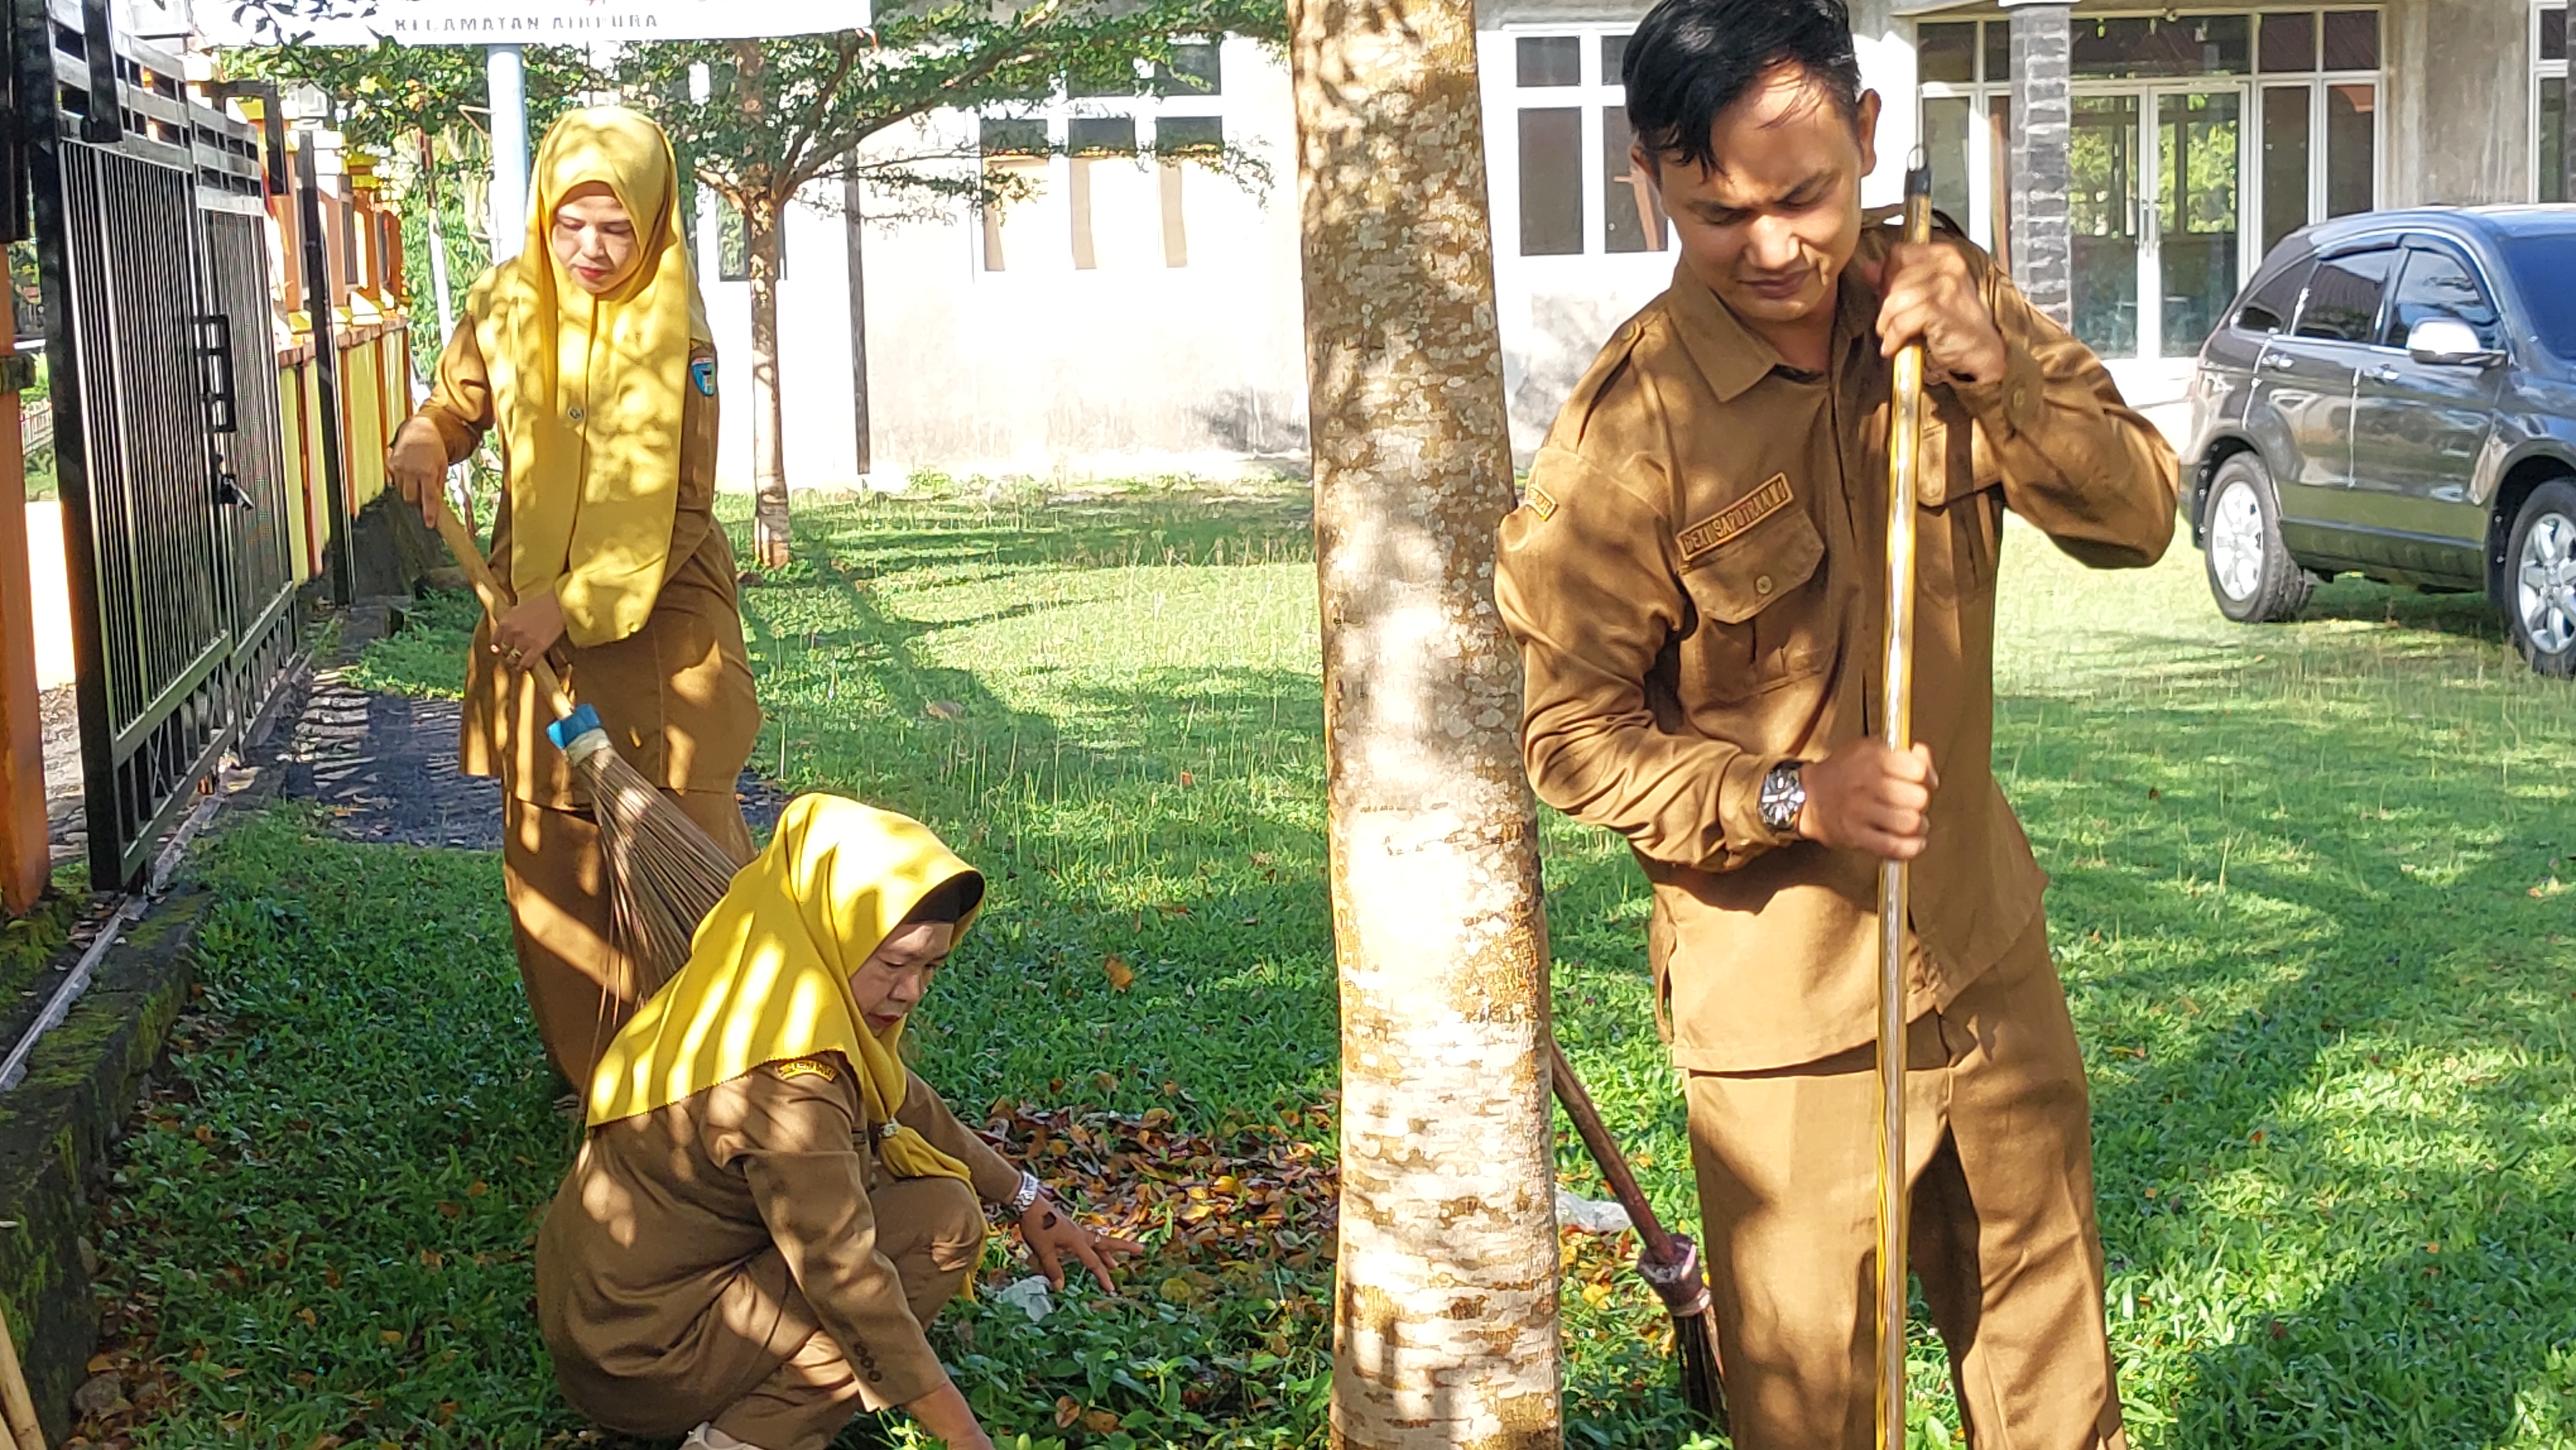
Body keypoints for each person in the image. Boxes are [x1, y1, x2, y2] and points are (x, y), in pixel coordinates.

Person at [1492, 1, 2179, 1446]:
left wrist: (1997, 370)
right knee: (1811, 1426)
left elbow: (2138, 517)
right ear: (1648, 187)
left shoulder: (1944, 299)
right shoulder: (1631, 431)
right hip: (1781, 1032)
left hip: (1984, 964)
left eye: (1802, 194)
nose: (1770, 247)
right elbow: (1565, 731)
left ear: (1864, 137)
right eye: (1712, 213)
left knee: (2059, 1410)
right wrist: (1793, 793)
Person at [537, 793, 1142, 1450]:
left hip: (606, 1324)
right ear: (834, 931)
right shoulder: (795, 1084)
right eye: (893, 962)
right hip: (645, 1363)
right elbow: (847, 1281)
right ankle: (747, 1438)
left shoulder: (747, 985)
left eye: (931, 965)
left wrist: (1029, 1200)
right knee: (941, 1225)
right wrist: (967, 1436)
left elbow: (907, 1101)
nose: (911, 990)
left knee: (930, 1207)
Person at [386, 107, 761, 1088]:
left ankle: (715, 1071)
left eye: (617, 228)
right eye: (570, 225)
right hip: (528, 621)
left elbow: (684, 507)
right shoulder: (508, 301)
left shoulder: (677, 329)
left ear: (652, 222)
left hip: (663, 631)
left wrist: (574, 603)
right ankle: (600, 1085)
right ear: (542, 218)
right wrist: (431, 432)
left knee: (686, 841)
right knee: (553, 840)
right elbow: (462, 398)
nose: (590, 250)